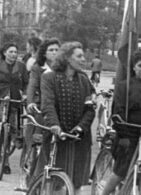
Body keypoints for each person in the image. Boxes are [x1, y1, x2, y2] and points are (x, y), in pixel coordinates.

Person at [101, 50, 141, 195]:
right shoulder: (124, 86)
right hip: (127, 133)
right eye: (140, 66)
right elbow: (117, 109)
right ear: (134, 67)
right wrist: (121, 127)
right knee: (121, 171)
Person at [40, 41, 95, 195]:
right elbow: (47, 104)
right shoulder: (49, 78)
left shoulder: (84, 80)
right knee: (55, 183)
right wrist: (55, 125)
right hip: (57, 137)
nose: (83, 59)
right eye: (79, 56)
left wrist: (80, 127)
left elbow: (90, 109)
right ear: (67, 58)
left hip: (79, 138)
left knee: (77, 182)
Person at [24, 38, 60, 186]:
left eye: (57, 50)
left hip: (56, 108)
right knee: (38, 145)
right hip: (40, 107)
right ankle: (32, 180)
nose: (54, 53)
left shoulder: (62, 67)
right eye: (51, 50)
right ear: (44, 53)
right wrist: (31, 102)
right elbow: (32, 86)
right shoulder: (37, 68)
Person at [0, 42, 29, 174]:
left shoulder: (21, 67)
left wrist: (25, 94)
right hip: (1, 99)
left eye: (15, 52)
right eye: (10, 52)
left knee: (11, 131)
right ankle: (4, 159)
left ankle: (6, 158)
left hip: (15, 101)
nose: (13, 54)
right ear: (4, 52)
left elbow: (27, 83)